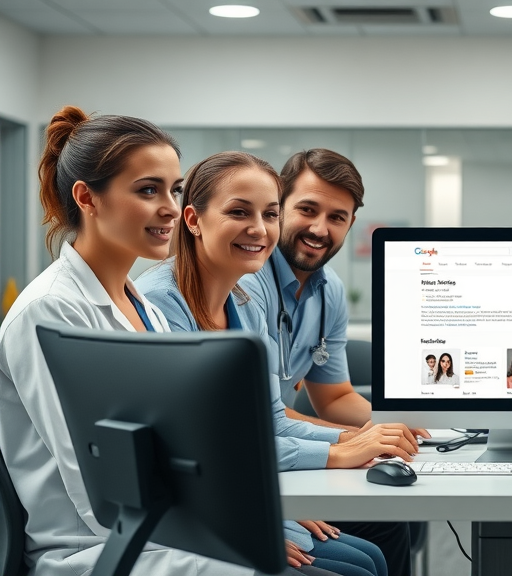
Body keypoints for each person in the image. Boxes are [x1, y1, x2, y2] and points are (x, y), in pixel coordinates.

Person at [0, 106, 274, 576]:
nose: (170, 207)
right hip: (95, 548)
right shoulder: (48, 309)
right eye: (148, 189)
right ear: (87, 198)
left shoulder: (142, 305)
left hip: (158, 532)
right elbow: (98, 490)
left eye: (175, 189)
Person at [136, 151, 413, 576]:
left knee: (371, 557)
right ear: (192, 220)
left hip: (241, 487)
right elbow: (189, 448)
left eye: (268, 214)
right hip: (195, 509)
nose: (260, 229)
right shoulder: (160, 305)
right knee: (358, 568)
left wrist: (356, 443)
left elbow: (271, 422)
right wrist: (340, 452)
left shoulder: (242, 304)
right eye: (239, 212)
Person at [238, 148, 425, 576]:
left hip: (280, 450)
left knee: (390, 526)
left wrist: (396, 424)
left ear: (351, 224)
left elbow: (335, 396)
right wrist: (360, 440)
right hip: (264, 457)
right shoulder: (247, 281)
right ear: (278, 206)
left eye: (337, 217)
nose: (320, 228)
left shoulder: (330, 290)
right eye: (307, 209)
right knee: (374, 541)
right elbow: (268, 416)